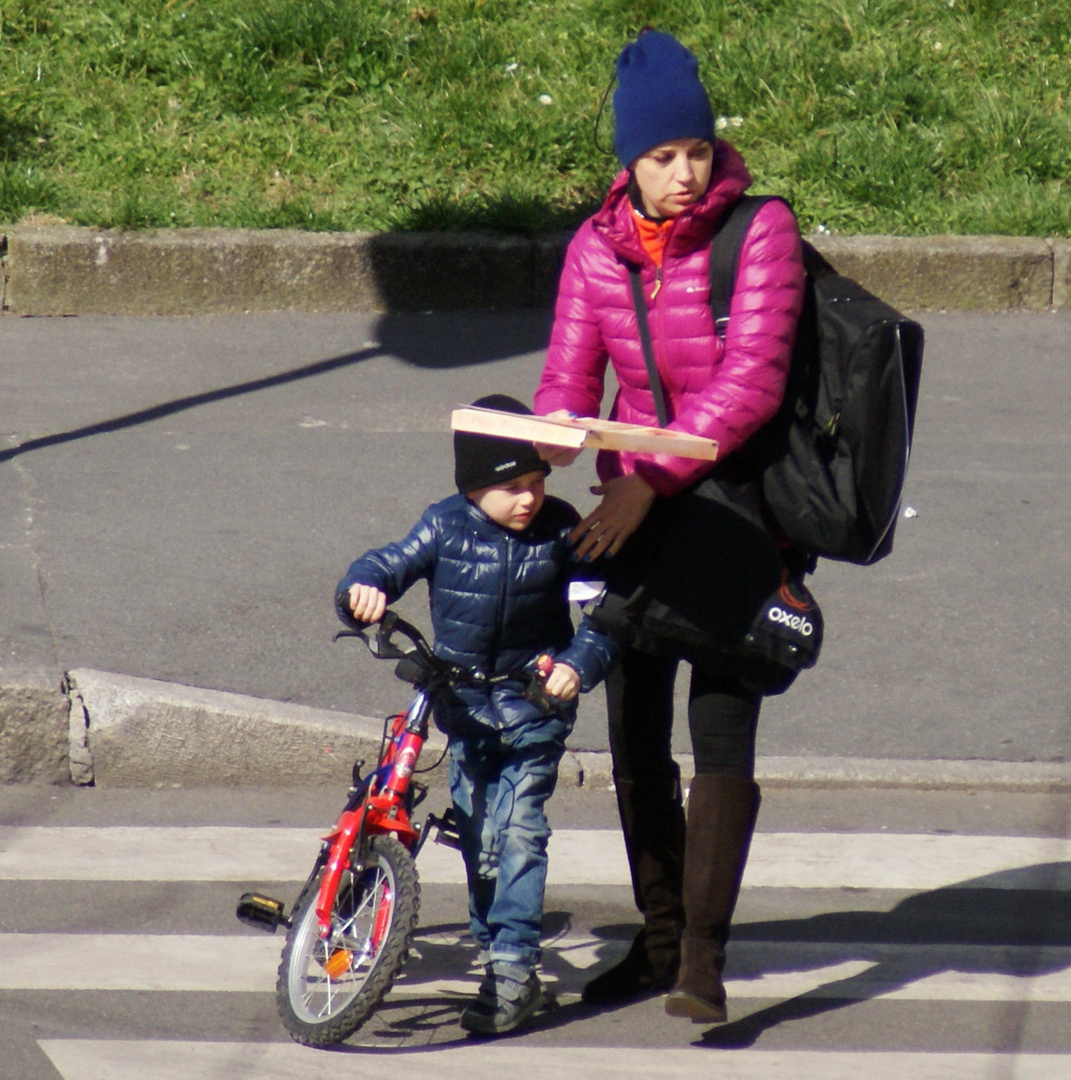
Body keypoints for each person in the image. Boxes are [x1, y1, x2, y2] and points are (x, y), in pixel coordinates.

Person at [534, 29, 806, 1023]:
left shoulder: (759, 231)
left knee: (720, 735)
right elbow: (570, 373)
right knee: (634, 734)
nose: (685, 173)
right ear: (627, 162)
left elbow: (752, 383)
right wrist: (547, 437)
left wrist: (644, 476)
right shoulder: (593, 247)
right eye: (661, 157)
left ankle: (701, 957)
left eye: (695, 150)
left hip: (738, 517)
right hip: (630, 518)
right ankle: (654, 944)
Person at [334, 394, 617, 1036]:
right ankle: (495, 955)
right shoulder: (444, 526)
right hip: (460, 706)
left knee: (518, 831)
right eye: (512, 487)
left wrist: (580, 661)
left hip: (532, 706)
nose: (529, 498)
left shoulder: (562, 530)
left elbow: (603, 615)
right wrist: (364, 589)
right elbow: (386, 562)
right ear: (473, 488)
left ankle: (513, 972)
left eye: (537, 482)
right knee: (479, 838)